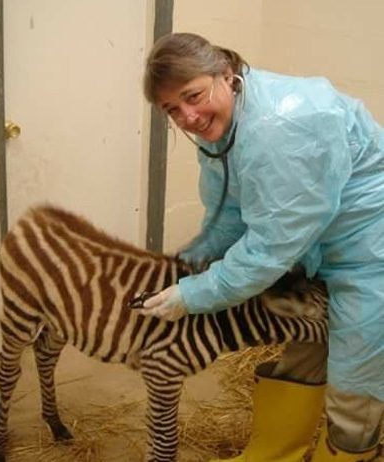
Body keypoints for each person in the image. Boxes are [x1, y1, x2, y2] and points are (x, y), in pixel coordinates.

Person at [140, 32, 384, 462]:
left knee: (355, 380)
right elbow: (228, 212)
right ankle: (274, 453)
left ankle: (346, 453)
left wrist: (193, 295)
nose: (188, 116)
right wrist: (189, 264)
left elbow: (271, 247)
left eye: (193, 96)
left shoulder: (281, 130)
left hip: (371, 253)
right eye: (172, 109)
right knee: (305, 347)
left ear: (225, 74)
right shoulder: (227, 126)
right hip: (321, 245)